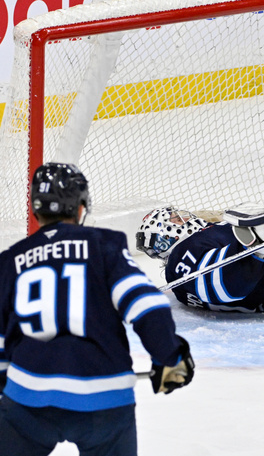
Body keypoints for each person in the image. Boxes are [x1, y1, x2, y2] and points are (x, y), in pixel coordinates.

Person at [0, 163, 193, 455]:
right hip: (103, 399)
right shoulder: (104, 245)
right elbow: (147, 305)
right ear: (80, 208)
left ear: (35, 212)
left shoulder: (10, 260)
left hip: (27, 401)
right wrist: (170, 356)